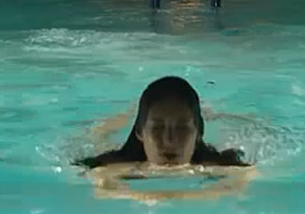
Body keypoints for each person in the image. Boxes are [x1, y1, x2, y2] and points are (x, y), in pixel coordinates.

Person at [78, 76, 252, 203]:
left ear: (199, 133)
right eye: (157, 128)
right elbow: (100, 187)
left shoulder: (223, 166)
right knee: (98, 135)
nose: (169, 140)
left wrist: (152, 198)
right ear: (139, 132)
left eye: (182, 128)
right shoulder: (109, 167)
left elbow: (245, 180)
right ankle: (128, 113)